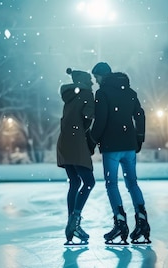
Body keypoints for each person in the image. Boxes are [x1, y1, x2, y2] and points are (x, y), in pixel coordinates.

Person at [90, 62, 151, 245]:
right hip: (129, 145)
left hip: (111, 147)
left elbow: (101, 120)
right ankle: (142, 222)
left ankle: (120, 223)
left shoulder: (102, 93)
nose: (96, 81)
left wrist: (91, 141)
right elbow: (140, 114)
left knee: (112, 185)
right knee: (132, 183)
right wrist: (139, 137)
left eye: (96, 78)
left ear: (102, 76)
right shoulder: (130, 92)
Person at [56, 67, 97, 245]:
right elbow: (88, 116)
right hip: (77, 140)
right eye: (90, 80)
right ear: (85, 81)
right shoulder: (87, 94)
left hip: (64, 141)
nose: (92, 83)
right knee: (89, 182)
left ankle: (71, 225)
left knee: (75, 182)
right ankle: (75, 218)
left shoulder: (69, 95)